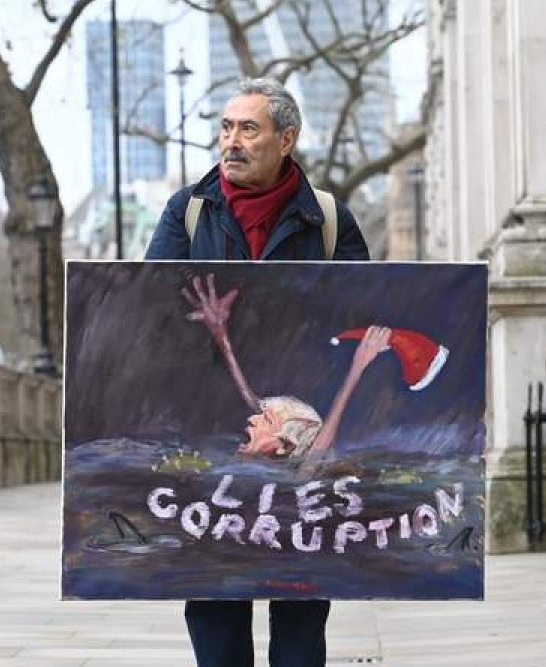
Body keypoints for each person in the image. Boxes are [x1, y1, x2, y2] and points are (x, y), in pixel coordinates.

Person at [145, 77, 369, 667]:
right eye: (226, 127)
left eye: (248, 129)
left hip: (296, 423)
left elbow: (360, 309)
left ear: (286, 138)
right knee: (216, 610)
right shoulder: (187, 213)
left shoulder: (327, 221)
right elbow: (152, 304)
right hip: (211, 426)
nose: (231, 141)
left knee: (299, 610)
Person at [180, 273, 391, 473]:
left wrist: (357, 367)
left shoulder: (298, 476)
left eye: (267, 421)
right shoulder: (253, 468)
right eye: (263, 417)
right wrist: (220, 334)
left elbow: (320, 446)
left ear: (283, 446)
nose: (252, 420)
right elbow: (250, 397)